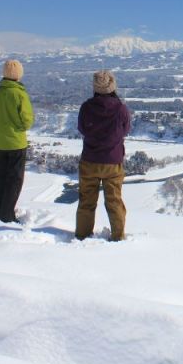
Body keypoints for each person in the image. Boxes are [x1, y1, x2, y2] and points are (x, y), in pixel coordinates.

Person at [76, 70, 130, 241]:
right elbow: (125, 130)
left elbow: (82, 129)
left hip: (90, 159)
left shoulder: (86, 107)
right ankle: (118, 236)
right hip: (113, 161)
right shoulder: (120, 108)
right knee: (114, 201)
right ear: (113, 86)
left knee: (86, 201)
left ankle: (82, 235)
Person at [0, 59, 34, 223]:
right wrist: (17, 127)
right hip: (16, 144)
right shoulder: (20, 94)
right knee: (14, 180)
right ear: (19, 75)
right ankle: (7, 216)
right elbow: (27, 121)